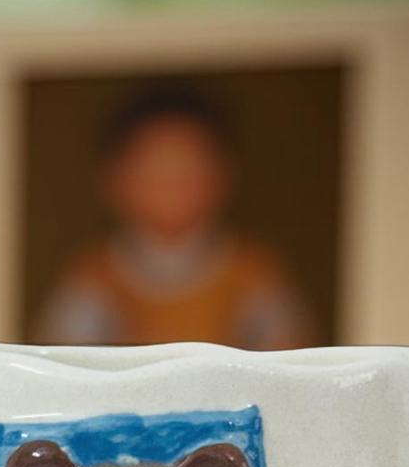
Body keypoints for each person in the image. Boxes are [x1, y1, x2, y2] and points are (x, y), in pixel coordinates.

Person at [36, 89, 312, 349]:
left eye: (188, 167)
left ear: (223, 175)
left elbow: (288, 366)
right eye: (154, 169)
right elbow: (66, 372)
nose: (172, 183)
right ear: (113, 180)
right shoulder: (94, 277)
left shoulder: (253, 273)